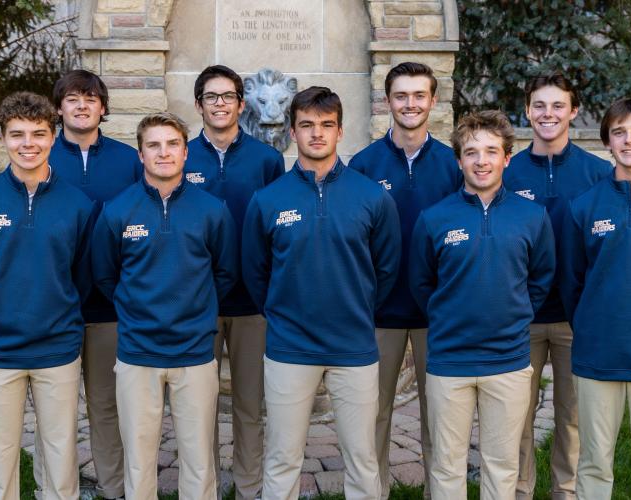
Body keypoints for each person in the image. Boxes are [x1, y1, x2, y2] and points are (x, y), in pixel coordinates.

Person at [242, 86, 401, 500]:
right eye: (307, 125)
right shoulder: (268, 199)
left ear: (340, 131)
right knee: (282, 458)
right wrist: (283, 313)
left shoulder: (372, 196)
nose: (317, 134)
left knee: (363, 459)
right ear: (291, 132)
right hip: (289, 347)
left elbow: (385, 269)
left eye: (326, 125)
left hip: (354, 347)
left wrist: (358, 309)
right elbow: (256, 273)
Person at [409, 110, 555, 500]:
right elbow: (422, 284)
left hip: (507, 360)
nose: (481, 161)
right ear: (459, 161)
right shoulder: (435, 218)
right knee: (446, 464)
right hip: (448, 361)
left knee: (502, 464)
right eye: (471, 152)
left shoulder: (532, 217)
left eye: (492, 151)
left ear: (507, 157)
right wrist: (450, 316)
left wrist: (512, 313)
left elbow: (540, 279)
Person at [0, 92, 93, 500]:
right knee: (0, 459)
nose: (27, 143)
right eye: (17, 135)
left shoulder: (78, 204)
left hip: (57, 348)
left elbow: (82, 276)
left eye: (38, 133)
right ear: (3, 139)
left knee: (60, 455)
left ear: (53, 137)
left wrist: (58, 313)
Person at [92, 112, 237, 498]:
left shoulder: (212, 210)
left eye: (172, 144)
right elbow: (106, 276)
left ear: (186, 152)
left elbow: (225, 273)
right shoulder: (117, 210)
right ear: (140, 154)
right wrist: (137, 310)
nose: (163, 152)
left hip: (194, 350)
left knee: (199, 456)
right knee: (139, 458)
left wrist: (196, 310)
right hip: (138, 351)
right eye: (153, 145)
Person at [348, 62, 461, 498]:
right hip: (380, 313)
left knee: (441, 417)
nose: (410, 104)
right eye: (401, 95)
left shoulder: (454, 164)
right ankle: (373, 492)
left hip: (440, 314)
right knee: (373, 415)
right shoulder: (363, 164)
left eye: (419, 95)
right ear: (387, 101)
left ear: (433, 101)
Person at [503, 73, 611, 500]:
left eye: (558, 106)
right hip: (520, 316)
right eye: (539, 106)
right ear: (527, 110)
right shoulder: (507, 171)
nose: (548, 114)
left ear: (573, 110)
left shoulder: (597, 172)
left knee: (571, 415)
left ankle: (565, 491)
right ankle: (518, 490)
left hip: (575, 318)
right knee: (517, 415)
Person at [184, 65, 285, 499]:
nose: (220, 103)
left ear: (242, 104)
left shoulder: (267, 160)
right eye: (211, 96)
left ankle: (248, 487)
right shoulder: (181, 155)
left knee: (248, 406)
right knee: (199, 409)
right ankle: (203, 487)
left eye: (228, 96)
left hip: (250, 305)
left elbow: (279, 228)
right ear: (199, 104)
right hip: (196, 305)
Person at [45, 69, 141, 500]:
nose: (81, 105)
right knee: (55, 412)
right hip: (54, 305)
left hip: (109, 307)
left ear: (103, 107)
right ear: (59, 107)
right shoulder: (43, 157)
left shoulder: (127, 161)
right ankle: (58, 488)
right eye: (72, 98)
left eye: (90, 98)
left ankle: (113, 487)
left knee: (106, 405)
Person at [560, 96, 631, 500]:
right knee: (595, 463)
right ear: (607, 142)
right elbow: (571, 282)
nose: (629, 140)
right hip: (597, 354)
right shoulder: (584, 207)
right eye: (619, 132)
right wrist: (591, 327)